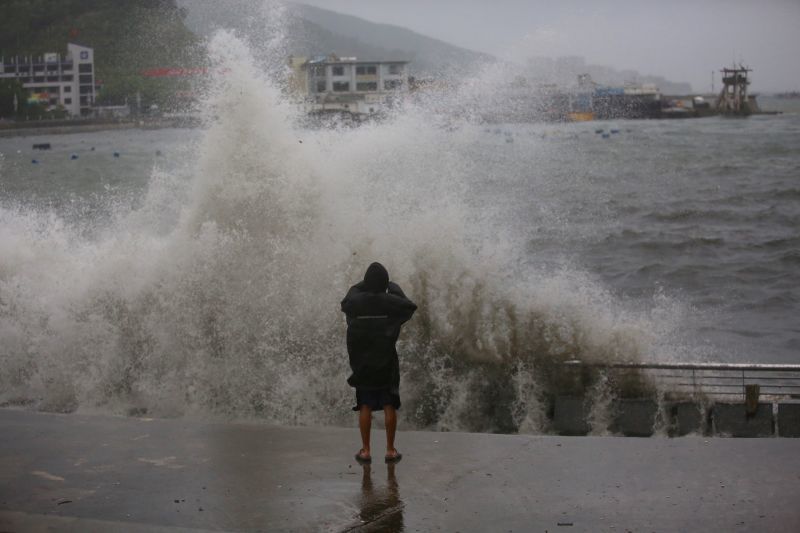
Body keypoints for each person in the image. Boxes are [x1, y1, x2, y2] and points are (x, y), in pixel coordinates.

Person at [341, 262, 417, 464]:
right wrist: (392, 287)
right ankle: (390, 450)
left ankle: (365, 451)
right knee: (388, 404)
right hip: (386, 364)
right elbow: (409, 306)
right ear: (384, 284)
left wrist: (362, 286)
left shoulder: (355, 305)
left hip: (363, 365)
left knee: (364, 404)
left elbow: (346, 302)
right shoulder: (390, 304)